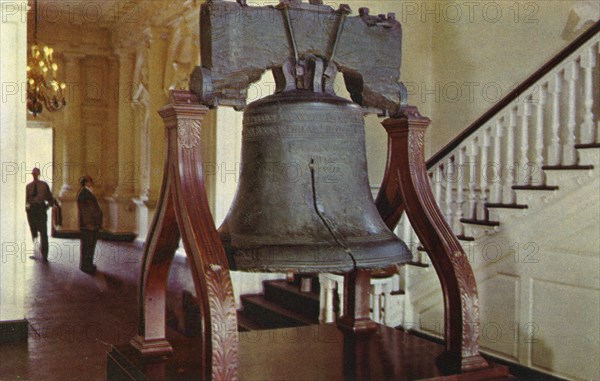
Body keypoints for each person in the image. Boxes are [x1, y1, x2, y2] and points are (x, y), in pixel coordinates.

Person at [26, 167, 53, 261]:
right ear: (32, 174)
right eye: (33, 173)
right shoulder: (28, 186)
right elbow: (27, 200)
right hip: (32, 210)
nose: (35, 175)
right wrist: (27, 211)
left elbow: (50, 198)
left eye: (36, 173)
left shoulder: (44, 185)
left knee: (43, 231)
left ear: (39, 174)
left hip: (41, 208)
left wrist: (47, 206)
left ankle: (44, 254)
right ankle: (36, 254)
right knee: (34, 232)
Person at [77, 175, 103, 274]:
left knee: (88, 246)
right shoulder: (84, 193)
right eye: (89, 181)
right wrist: (90, 224)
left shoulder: (85, 192)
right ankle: (86, 266)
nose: (91, 182)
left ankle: (87, 265)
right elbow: (85, 211)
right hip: (89, 225)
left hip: (90, 225)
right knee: (88, 246)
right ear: (85, 182)